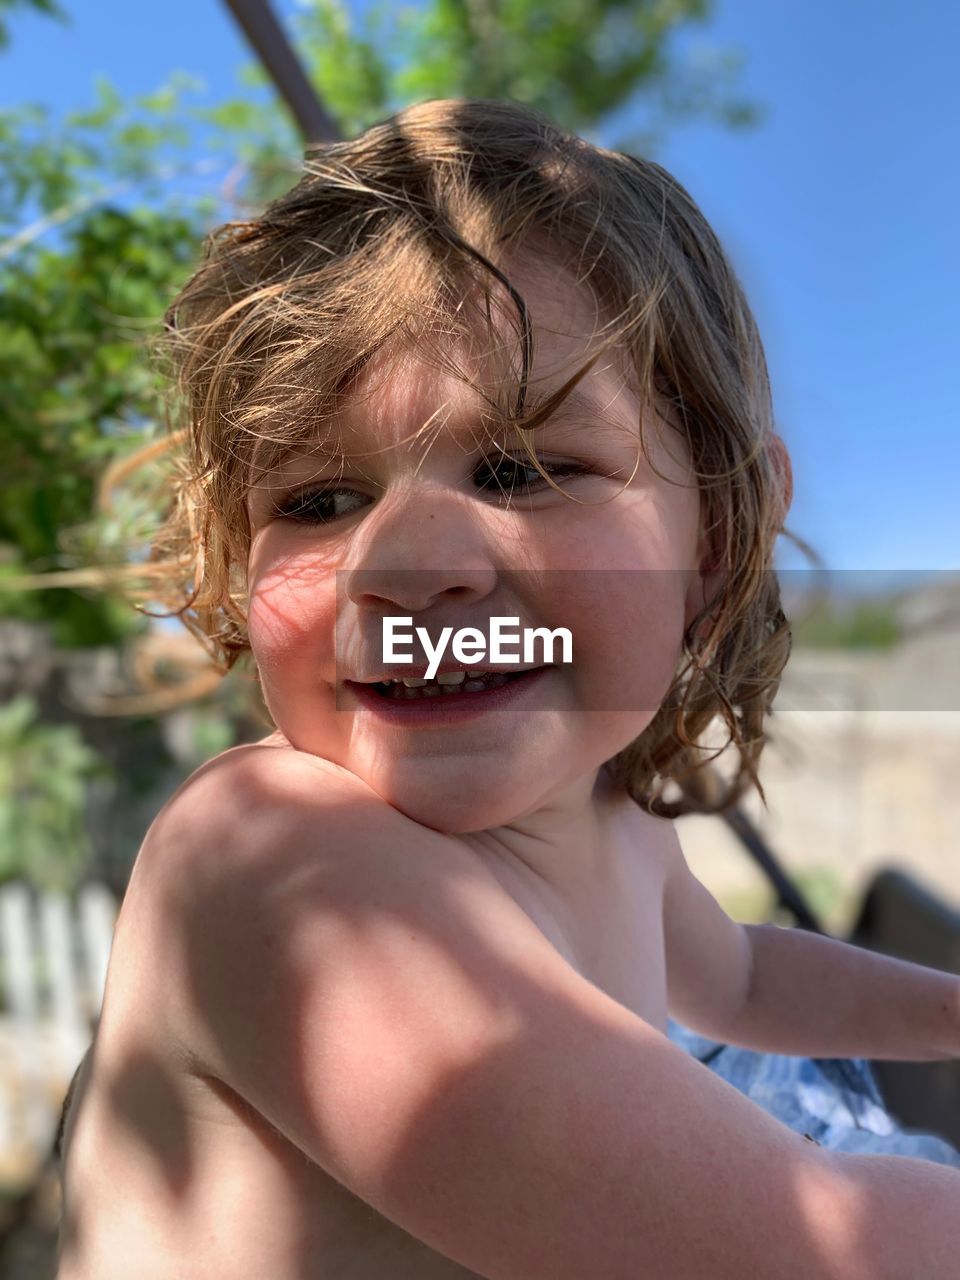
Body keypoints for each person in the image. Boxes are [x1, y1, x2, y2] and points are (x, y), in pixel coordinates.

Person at [54, 98, 960, 1278]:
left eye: (522, 468)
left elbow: (738, 972)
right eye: (318, 501)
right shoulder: (268, 861)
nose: (407, 565)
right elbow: (827, 1248)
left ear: (719, 535)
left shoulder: (609, 810)